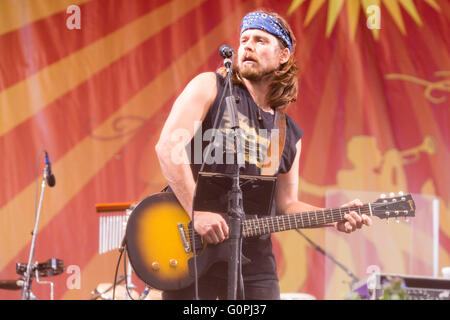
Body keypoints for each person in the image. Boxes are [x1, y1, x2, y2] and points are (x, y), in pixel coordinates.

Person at [155, 10, 372, 300]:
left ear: (283, 55)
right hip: (193, 251)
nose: (247, 45)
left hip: (253, 262)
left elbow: (285, 205)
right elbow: (168, 148)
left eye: (260, 40)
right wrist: (197, 212)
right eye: (244, 39)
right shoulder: (209, 87)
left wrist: (333, 217)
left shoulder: (286, 132)